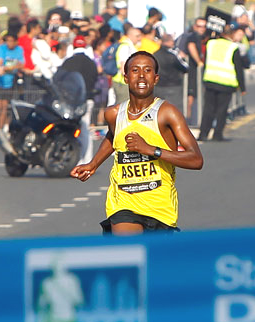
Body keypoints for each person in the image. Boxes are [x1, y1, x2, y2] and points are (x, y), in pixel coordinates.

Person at [70, 51, 203, 235]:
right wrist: (93, 164)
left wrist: (151, 150)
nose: (141, 76)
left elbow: (196, 159)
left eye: (147, 70)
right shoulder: (114, 114)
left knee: (154, 261)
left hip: (160, 208)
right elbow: (113, 136)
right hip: (123, 203)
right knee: (129, 248)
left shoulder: (167, 113)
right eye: (135, 70)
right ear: (125, 78)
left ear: (155, 78)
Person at [197, 24, 246, 142]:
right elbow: (238, 69)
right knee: (221, 110)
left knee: (208, 109)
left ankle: (203, 133)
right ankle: (217, 134)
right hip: (226, 83)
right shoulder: (233, 47)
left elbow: (206, 62)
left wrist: (204, 79)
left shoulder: (211, 44)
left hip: (210, 80)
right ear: (232, 34)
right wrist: (242, 87)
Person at [60, 36, 98, 165]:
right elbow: (95, 79)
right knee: (85, 128)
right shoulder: (91, 63)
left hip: (71, 100)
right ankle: (87, 159)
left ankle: (72, 157)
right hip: (87, 99)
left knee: (70, 128)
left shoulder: (68, 62)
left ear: (74, 46)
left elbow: (61, 79)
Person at [154, 34, 189, 115]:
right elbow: (185, 67)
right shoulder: (173, 54)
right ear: (170, 42)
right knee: (174, 112)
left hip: (158, 87)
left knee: (159, 111)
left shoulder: (155, 55)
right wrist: (182, 57)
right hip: (173, 87)